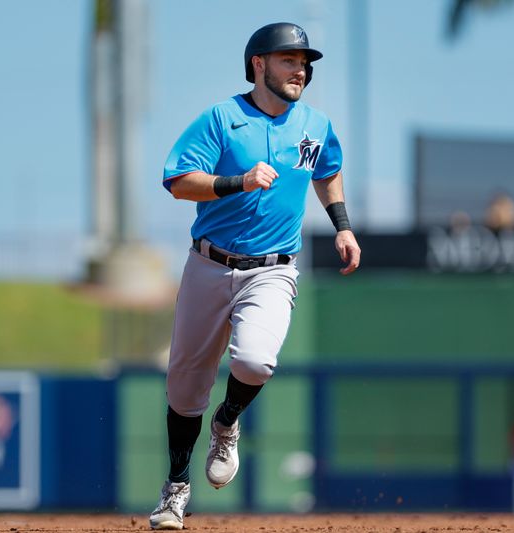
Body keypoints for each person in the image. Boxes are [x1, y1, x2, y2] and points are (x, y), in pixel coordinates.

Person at [149, 22, 361, 530]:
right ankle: (176, 487)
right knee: (183, 389)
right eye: (289, 59)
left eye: (304, 61)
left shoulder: (313, 123)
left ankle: (227, 422)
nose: (301, 69)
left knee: (255, 361)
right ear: (258, 64)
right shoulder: (222, 119)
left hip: (271, 269)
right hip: (208, 264)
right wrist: (235, 181)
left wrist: (343, 227)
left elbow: (327, 169)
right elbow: (179, 182)